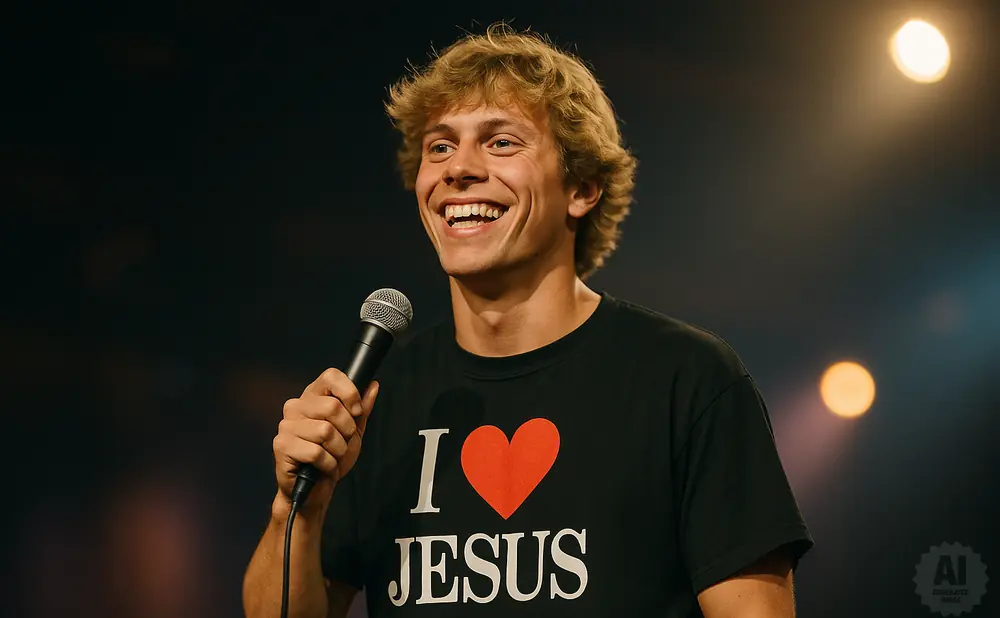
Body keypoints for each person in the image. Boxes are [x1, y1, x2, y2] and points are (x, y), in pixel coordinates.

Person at [243, 23, 813, 618]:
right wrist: (296, 509)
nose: (457, 169)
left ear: (582, 188)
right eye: (440, 147)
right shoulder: (378, 400)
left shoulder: (686, 378)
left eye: (501, 142)